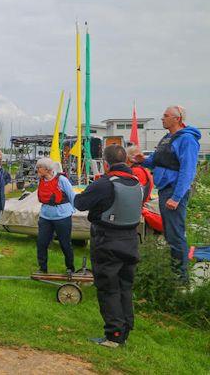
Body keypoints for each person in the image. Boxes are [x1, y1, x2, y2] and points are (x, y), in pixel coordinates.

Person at [75, 144, 144, 347]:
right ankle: (124, 331)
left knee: (108, 288)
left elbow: (80, 203)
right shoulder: (137, 182)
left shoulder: (104, 183)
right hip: (131, 239)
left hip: (108, 240)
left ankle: (113, 335)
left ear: (105, 164)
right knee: (125, 287)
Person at [136, 106, 201, 282]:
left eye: (166, 116)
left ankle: (181, 278)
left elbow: (187, 171)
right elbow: (158, 161)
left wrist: (177, 197)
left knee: (175, 234)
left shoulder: (187, 140)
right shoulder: (167, 138)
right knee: (169, 233)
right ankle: (175, 272)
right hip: (165, 189)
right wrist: (144, 161)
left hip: (174, 191)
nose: (162, 118)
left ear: (177, 119)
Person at [34, 157, 76, 273]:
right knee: (41, 243)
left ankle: (70, 268)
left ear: (47, 169)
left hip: (62, 217)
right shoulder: (41, 180)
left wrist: (73, 210)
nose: (37, 169)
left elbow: (71, 195)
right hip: (45, 217)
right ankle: (42, 268)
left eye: (39, 167)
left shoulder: (62, 180)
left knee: (65, 244)